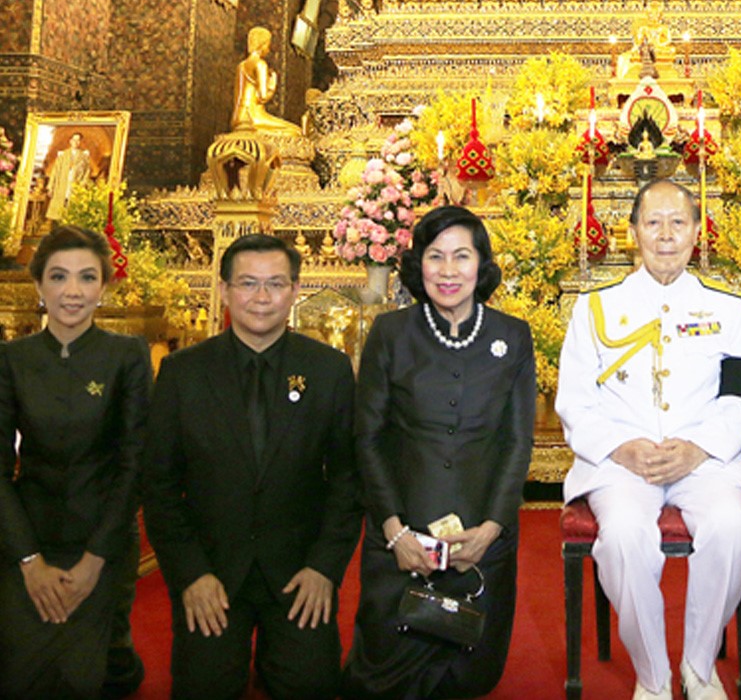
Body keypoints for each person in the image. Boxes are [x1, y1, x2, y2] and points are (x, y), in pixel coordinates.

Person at [556, 179, 741, 700]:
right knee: (623, 535)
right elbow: (574, 403)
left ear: (696, 231)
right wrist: (621, 448)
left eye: (677, 222)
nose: (665, 235)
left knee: (732, 529)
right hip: (623, 460)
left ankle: (698, 667)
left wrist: (696, 450)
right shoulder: (595, 308)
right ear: (633, 234)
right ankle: (653, 676)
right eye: (653, 222)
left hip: (705, 459)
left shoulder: (729, 307)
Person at [143, 233, 360, 700]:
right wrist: (190, 574)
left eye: (276, 284)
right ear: (223, 290)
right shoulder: (183, 373)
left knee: (313, 685)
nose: (262, 297)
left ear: (295, 290)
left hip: (299, 571)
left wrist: (324, 567)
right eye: (247, 284)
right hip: (213, 571)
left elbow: (348, 480)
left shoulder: (328, 370)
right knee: (204, 687)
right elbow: (159, 486)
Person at [342, 205, 535, 700]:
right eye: (435, 256)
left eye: (461, 256)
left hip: (480, 539)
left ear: (482, 264)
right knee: (383, 680)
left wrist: (491, 529)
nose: (448, 271)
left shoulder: (512, 337)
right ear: (418, 264)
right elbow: (368, 437)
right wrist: (395, 530)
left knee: (469, 678)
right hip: (403, 534)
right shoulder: (391, 333)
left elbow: (517, 441)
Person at [0, 225, 151, 699]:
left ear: (103, 286)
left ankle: (116, 654)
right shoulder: (11, 359)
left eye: (87, 278)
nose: (72, 291)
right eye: (59, 277)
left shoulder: (126, 356)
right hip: (30, 536)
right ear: (40, 284)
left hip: (101, 538)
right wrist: (29, 561)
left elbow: (134, 462)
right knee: (22, 677)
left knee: (85, 677)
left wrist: (94, 561)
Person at [231, 26, 303, 135]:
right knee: (296, 131)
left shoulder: (241, 65)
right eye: (268, 45)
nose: (268, 50)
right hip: (253, 116)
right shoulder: (260, 64)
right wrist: (272, 85)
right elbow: (262, 97)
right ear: (262, 45)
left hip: (238, 117)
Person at [45, 131, 93, 222]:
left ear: (80, 142)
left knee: (72, 212)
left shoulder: (84, 157)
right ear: (70, 141)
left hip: (75, 186)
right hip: (61, 185)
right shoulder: (63, 155)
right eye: (74, 140)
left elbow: (87, 172)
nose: (76, 142)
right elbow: (55, 171)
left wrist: (82, 184)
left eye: (78, 140)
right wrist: (51, 186)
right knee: (58, 212)